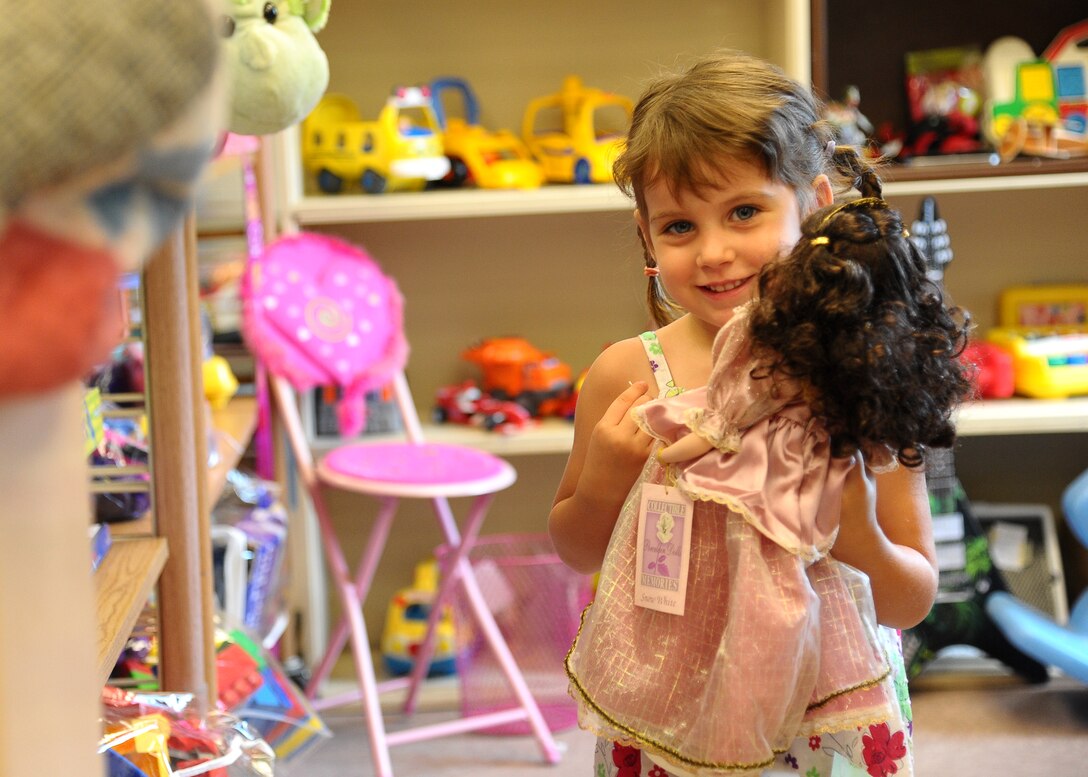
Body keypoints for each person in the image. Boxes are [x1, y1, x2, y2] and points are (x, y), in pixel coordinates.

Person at [549, 50, 970, 777]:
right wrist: (604, 481)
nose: (714, 252)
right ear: (648, 238)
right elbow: (578, 549)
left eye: (744, 211)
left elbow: (911, 600)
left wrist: (860, 535)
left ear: (812, 203)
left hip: (825, 713)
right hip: (668, 707)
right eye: (679, 226)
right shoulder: (625, 374)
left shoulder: (858, 373)